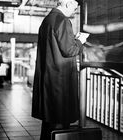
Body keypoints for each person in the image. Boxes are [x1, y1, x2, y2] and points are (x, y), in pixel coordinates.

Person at [32, 0, 87, 139]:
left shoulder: (47, 20)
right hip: (60, 82)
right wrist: (80, 41)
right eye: (74, 8)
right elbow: (69, 50)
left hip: (49, 79)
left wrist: (73, 40)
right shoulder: (62, 20)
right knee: (60, 124)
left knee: (49, 125)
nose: (74, 11)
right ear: (68, 4)